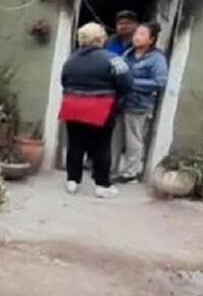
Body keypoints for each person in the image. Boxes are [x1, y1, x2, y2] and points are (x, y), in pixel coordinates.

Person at [59, 22, 133, 197]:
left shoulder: (71, 59)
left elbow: (64, 80)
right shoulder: (113, 58)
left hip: (72, 106)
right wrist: (117, 97)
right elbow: (127, 82)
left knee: (75, 144)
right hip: (101, 107)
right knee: (101, 146)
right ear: (100, 38)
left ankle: (72, 181)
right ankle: (102, 185)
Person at [116, 22, 168, 182]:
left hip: (139, 104)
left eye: (142, 34)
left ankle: (131, 173)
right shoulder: (128, 53)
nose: (137, 37)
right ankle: (111, 169)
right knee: (116, 137)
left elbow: (159, 82)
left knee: (133, 139)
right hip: (121, 101)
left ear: (151, 39)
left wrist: (132, 83)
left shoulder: (156, 58)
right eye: (136, 33)